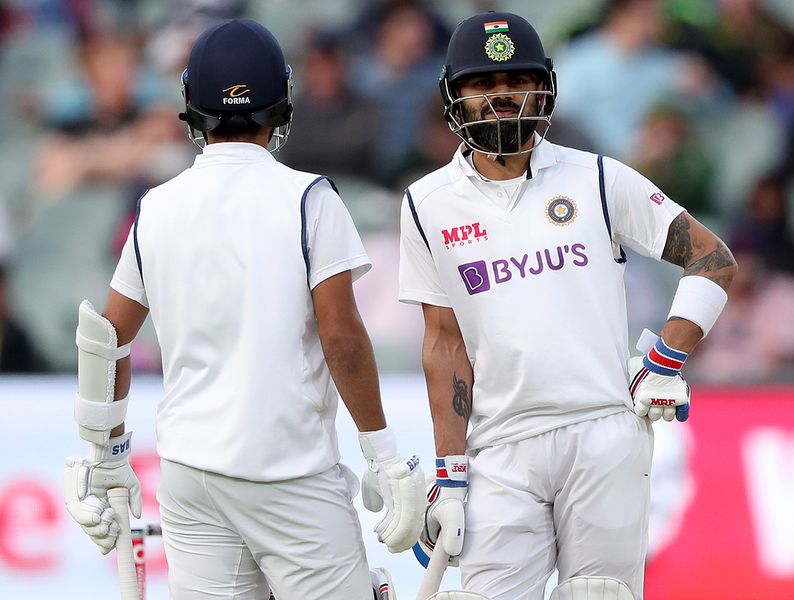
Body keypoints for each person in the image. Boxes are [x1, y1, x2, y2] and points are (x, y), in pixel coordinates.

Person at [63, 19, 425, 600]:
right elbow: (343, 338)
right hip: (290, 474)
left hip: (190, 475)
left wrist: (105, 452)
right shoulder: (312, 199)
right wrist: (382, 454)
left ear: (192, 106)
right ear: (280, 104)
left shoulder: (155, 206)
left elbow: (106, 338)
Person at [399, 12, 736, 600]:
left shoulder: (598, 179)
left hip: (603, 431)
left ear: (544, 87)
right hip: (498, 447)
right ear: (455, 96)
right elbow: (443, 342)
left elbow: (713, 257)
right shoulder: (426, 204)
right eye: (483, 84)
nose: (502, 96)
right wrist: (449, 473)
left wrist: (665, 360)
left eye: (517, 80)